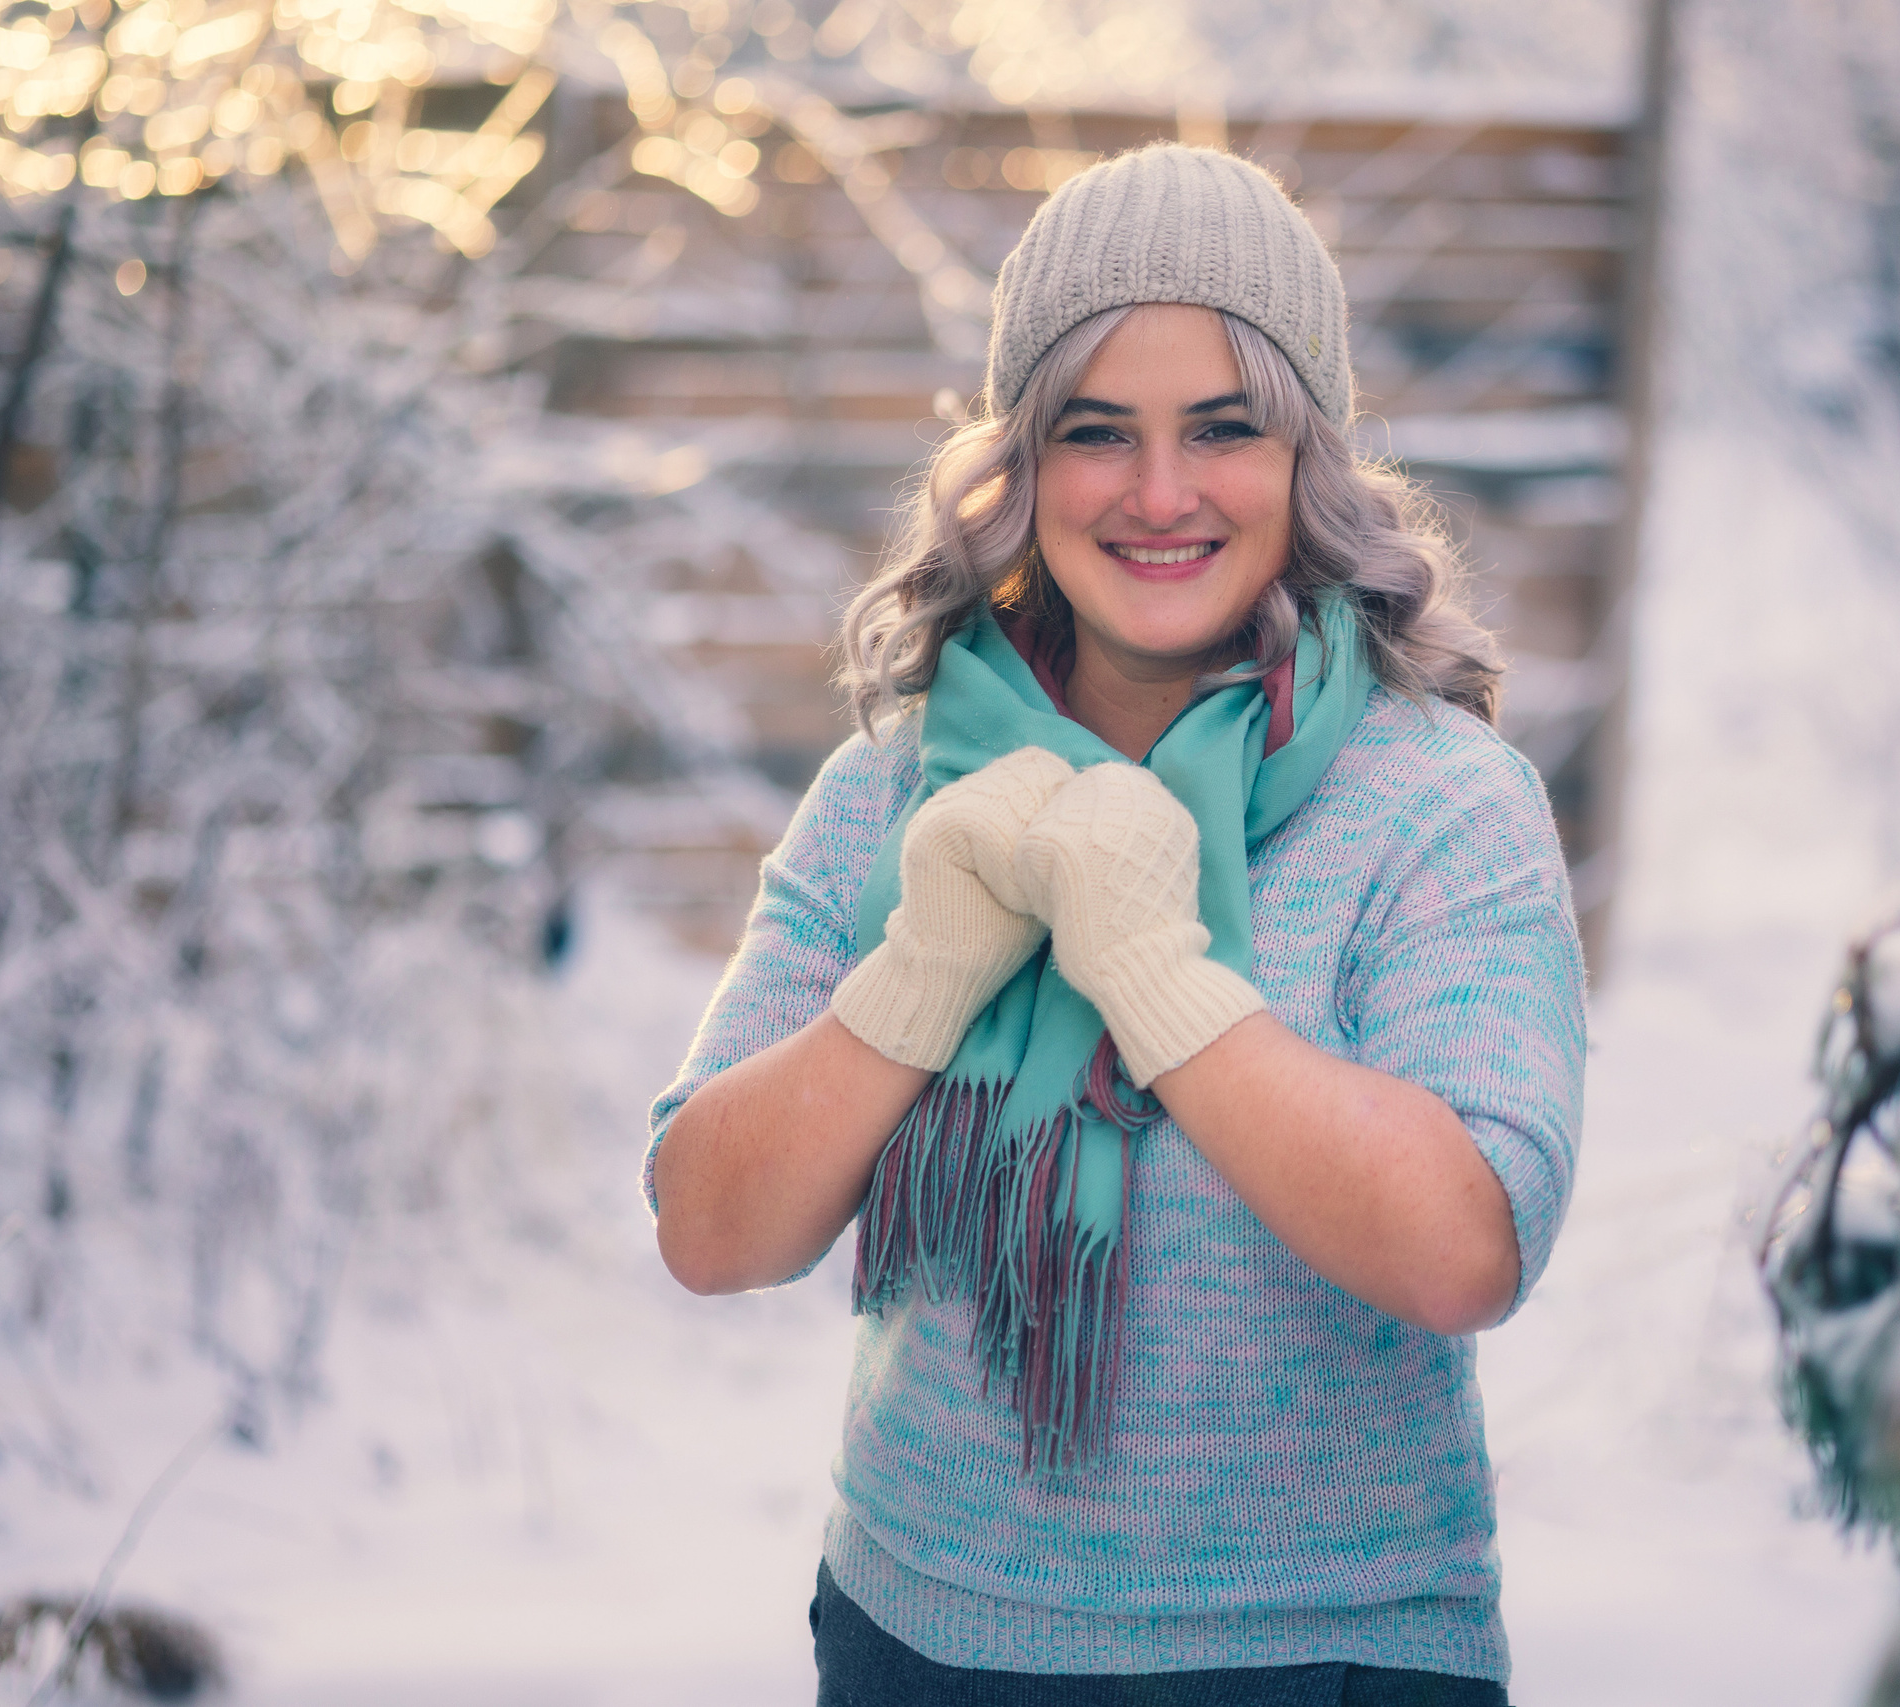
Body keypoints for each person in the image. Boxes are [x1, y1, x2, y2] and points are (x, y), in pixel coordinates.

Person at [646, 143, 1586, 1705]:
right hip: (918, 1638)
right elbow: (708, 1222)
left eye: (1224, 430)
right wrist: (927, 967)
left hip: (1320, 1655)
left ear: (1310, 461)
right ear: (1021, 467)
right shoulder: (899, 796)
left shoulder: (1438, 805)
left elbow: (1462, 1245)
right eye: (1099, 434)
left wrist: (1152, 970)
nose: (1161, 494)